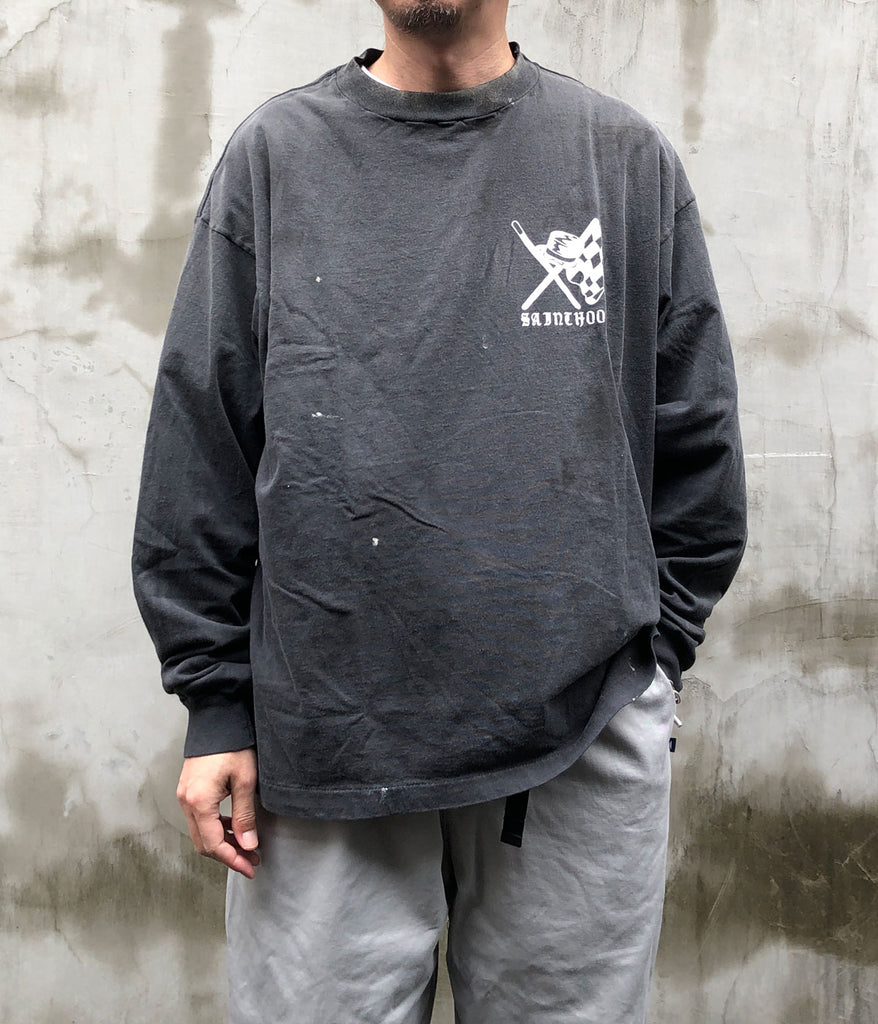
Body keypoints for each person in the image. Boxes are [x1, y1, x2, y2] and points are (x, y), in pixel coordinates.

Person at [132, 1, 747, 1021]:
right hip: (325, 740)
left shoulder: (618, 160)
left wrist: (651, 664)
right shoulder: (277, 158)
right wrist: (216, 703)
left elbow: (697, 444)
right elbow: (201, 447)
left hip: (579, 737)